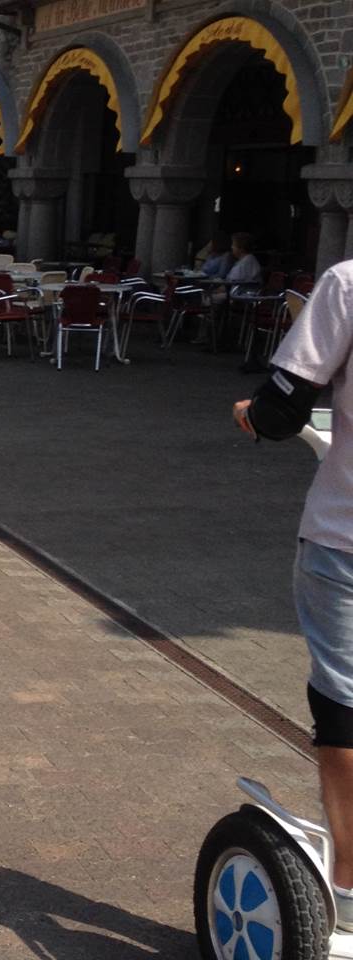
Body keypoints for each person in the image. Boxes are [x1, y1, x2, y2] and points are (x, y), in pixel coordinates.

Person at [233, 257, 353, 929]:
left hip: (346, 536)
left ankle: (348, 889)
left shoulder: (346, 284)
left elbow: (282, 411)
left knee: (344, 706)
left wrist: (252, 415)